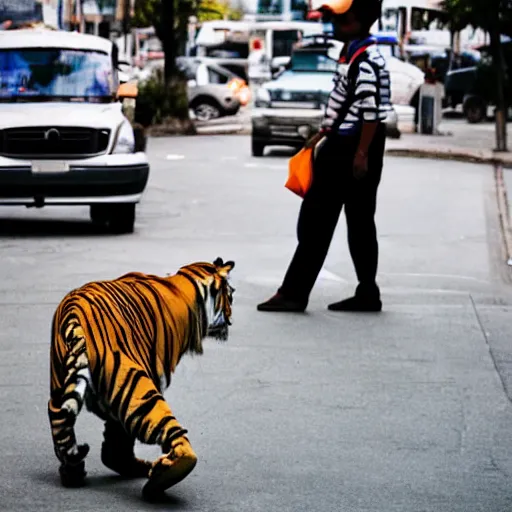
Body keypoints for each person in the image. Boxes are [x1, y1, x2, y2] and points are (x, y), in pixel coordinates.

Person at [257, 0, 391, 313]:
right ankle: (368, 292)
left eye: (340, 20)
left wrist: (360, 154)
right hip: (354, 145)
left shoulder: (366, 59)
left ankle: (293, 292)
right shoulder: (360, 54)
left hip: (350, 148)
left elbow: (370, 111)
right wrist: (321, 135)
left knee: (316, 220)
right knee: (360, 222)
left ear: (357, 21)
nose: (333, 26)